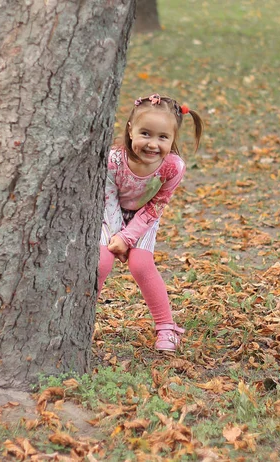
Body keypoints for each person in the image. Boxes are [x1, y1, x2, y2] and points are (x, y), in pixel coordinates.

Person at [98, 93, 204, 352]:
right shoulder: (114, 160)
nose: (152, 144)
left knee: (141, 264)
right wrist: (116, 236)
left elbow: (157, 205)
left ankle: (167, 327)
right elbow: (108, 197)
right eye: (146, 133)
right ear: (131, 130)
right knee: (100, 261)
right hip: (108, 213)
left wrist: (128, 238)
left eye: (162, 137)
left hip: (145, 216)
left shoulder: (173, 167)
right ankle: (79, 320)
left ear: (173, 139)